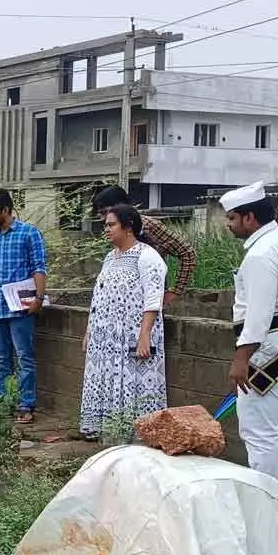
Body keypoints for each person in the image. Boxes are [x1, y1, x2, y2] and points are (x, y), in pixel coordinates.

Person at [222, 181, 278, 488]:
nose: (229, 225)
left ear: (249, 217)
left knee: (258, 431)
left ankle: (265, 498)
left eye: (232, 219)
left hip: (268, 347)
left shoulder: (260, 254)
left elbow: (259, 313)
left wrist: (242, 358)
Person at [79, 205, 169, 441]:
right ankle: (110, 434)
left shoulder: (147, 256)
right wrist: (90, 331)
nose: (106, 230)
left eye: (111, 225)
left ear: (128, 227)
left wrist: (144, 334)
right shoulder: (110, 258)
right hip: (106, 339)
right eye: (106, 225)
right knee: (107, 380)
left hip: (132, 337)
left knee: (134, 383)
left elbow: (153, 298)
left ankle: (136, 437)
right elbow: (98, 297)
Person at [0, 189, 48, 425]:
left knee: (24, 357)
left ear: (6, 210)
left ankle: (26, 404)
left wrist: (39, 298)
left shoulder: (29, 233)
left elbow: (39, 268)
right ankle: (4, 403)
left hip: (21, 307)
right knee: (2, 360)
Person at [92, 185, 197, 307]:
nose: (104, 219)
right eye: (101, 214)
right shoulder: (111, 231)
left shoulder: (148, 226)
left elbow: (188, 253)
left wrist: (176, 291)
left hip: (148, 301)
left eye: (105, 212)